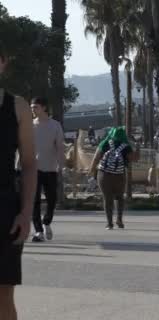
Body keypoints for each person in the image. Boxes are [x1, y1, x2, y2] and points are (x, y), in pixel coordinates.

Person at [0, 45, 38, 320]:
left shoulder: (18, 107)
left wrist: (26, 213)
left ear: (2, 64)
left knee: (3, 295)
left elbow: (28, 164)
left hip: (5, 210)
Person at [30, 97, 64, 242]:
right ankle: (38, 232)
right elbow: (25, 147)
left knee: (52, 199)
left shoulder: (55, 125)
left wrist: (61, 166)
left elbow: (60, 147)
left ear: (44, 108)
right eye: (31, 107)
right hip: (34, 169)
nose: (33, 109)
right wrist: (19, 165)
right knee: (34, 201)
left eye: (35, 107)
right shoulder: (30, 125)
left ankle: (47, 222)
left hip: (50, 168)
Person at [89, 127, 136, 230]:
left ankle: (109, 223)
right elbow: (133, 158)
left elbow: (96, 158)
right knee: (119, 198)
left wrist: (91, 172)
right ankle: (119, 220)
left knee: (107, 198)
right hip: (120, 175)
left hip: (104, 175)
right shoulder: (126, 146)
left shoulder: (105, 143)